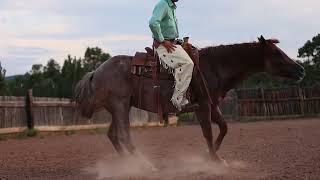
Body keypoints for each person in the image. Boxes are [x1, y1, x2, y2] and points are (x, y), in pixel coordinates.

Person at [149, 0, 194, 111]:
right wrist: (163, 41)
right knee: (188, 63)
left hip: (172, 43)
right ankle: (177, 100)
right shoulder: (163, 4)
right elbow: (153, 23)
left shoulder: (171, 7)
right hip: (163, 46)